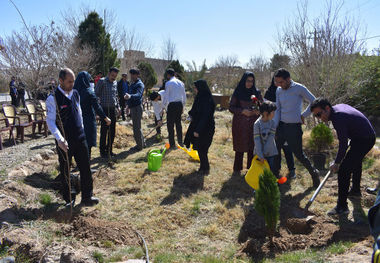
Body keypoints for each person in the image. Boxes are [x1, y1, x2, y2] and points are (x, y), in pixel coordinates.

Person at [311, 98, 376, 215]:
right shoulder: (337, 109)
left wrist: (337, 163)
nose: (320, 118)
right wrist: (338, 160)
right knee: (355, 161)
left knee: (344, 170)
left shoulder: (338, 118)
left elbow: (343, 143)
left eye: (319, 114)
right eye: (316, 116)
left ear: (327, 108)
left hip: (365, 139)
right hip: (361, 136)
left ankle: (342, 207)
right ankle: (355, 191)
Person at [46, 68, 99, 207]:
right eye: (69, 82)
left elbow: (79, 112)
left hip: (80, 138)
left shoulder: (75, 93)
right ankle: (69, 198)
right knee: (65, 170)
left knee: (86, 168)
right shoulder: (53, 98)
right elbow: (50, 121)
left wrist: (81, 129)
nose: (72, 84)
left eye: (73, 81)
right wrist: (60, 139)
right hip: (65, 141)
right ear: (61, 81)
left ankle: (87, 196)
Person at [272, 68, 320, 187]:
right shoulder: (278, 90)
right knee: (275, 151)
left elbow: (314, 101)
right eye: (277, 82)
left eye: (281, 82)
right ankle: (275, 178)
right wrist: (274, 126)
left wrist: (304, 115)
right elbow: (277, 109)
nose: (279, 85)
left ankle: (314, 173)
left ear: (288, 79)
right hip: (281, 126)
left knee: (298, 154)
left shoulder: (299, 88)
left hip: (294, 127)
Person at [229, 72, 262, 176]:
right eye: (248, 81)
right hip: (240, 124)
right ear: (244, 80)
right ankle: (237, 169)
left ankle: (251, 169)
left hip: (253, 123)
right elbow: (231, 107)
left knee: (252, 146)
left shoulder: (256, 92)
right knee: (240, 146)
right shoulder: (238, 91)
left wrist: (258, 110)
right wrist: (242, 111)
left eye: (252, 81)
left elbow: (261, 106)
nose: (250, 83)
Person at [73, 71, 111, 159]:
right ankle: (86, 166)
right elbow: (97, 107)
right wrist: (105, 118)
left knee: (78, 144)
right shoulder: (89, 92)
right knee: (87, 144)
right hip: (88, 121)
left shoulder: (73, 93)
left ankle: (79, 165)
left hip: (76, 121)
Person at [264, 77, 295, 178]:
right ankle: (276, 169)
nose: (277, 83)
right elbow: (265, 109)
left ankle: (291, 169)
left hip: (285, 123)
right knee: (275, 148)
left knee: (287, 147)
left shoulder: (286, 93)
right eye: (275, 81)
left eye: (280, 81)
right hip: (272, 124)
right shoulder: (269, 93)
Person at [184, 80, 215, 175]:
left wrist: (198, 130)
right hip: (199, 125)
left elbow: (205, 116)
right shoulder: (200, 97)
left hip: (206, 128)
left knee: (203, 149)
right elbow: (195, 109)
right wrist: (190, 116)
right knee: (200, 148)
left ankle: (205, 168)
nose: (195, 89)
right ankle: (203, 167)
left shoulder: (207, 99)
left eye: (196, 87)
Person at [95, 67, 120, 158]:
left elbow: (116, 96)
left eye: (115, 76)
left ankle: (109, 150)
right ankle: (103, 151)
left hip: (113, 109)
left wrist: (118, 107)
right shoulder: (102, 81)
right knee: (104, 131)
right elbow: (96, 95)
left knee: (112, 131)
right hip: (104, 110)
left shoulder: (115, 83)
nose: (114, 77)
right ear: (108, 73)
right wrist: (98, 111)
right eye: (112, 75)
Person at [164, 68, 186, 148]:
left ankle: (172, 144)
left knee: (170, 125)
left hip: (172, 105)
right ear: (175, 74)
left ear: (168, 75)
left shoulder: (168, 83)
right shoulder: (181, 83)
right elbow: (184, 96)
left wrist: (166, 108)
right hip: (179, 104)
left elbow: (166, 97)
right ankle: (180, 142)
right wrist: (183, 106)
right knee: (178, 124)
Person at [254, 101, 278, 173]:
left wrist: (265, 152)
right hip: (259, 154)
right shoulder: (257, 124)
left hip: (270, 153)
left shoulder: (273, 123)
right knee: (260, 173)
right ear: (265, 113)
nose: (274, 114)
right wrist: (260, 155)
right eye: (273, 112)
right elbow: (257, 140)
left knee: (269, 172)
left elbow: (271, 138)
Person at [124, 68, 145, 151]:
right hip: (133, 107)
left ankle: (139, 146)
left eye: (133, 74)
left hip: (137, 107)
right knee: (136, 127)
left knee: (137, 128)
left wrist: (130, 96)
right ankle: (142, 143)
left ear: (137, 75)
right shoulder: (132, 84)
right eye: (131, 74)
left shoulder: (140, 84)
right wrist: (128, 106)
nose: (132, 76)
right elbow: (130, 95)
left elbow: (138, 95)